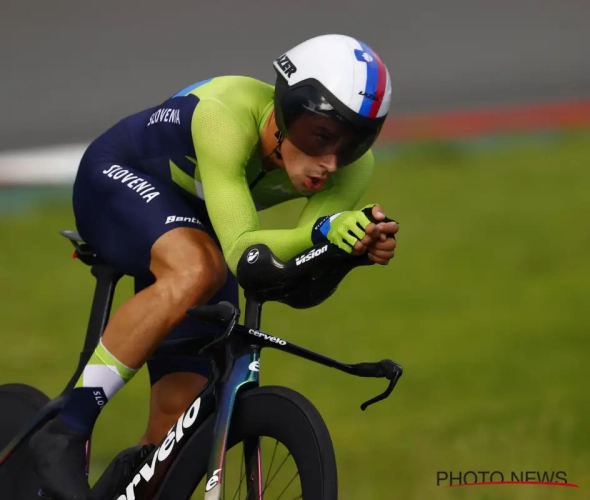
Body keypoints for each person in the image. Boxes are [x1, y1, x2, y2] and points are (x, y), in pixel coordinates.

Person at [29, 33, 400, 499]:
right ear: (286, 109)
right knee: (200, 269)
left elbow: (286, 280)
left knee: (175, 438)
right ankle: (65, 428)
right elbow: (243, 248)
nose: (330, 162)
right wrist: (326, 233)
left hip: (200, 223)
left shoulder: (351, 169)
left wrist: (347, 256)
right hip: (119, 177)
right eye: (321, 136)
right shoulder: (225, 116)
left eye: (350, 145)